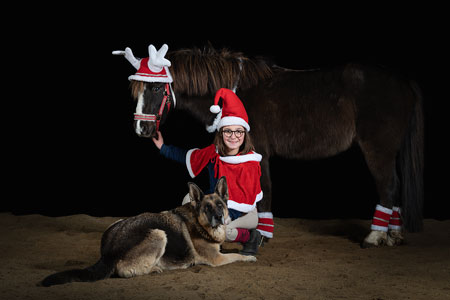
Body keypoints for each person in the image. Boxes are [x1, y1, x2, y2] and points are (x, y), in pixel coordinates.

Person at [152, 88, 263, 255]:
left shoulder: (250, 163)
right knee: (187, 200)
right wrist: (163, 147)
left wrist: (220, 217)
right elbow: (187, 156)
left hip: (244, 212)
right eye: (228, 130)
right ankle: (203, 238)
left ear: (244, 134)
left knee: (221, 228)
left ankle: (251, 236)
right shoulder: (214, 153)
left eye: (238, 131)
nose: (233, 136)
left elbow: (244, 201)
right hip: (216, 206)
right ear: (221, 132)